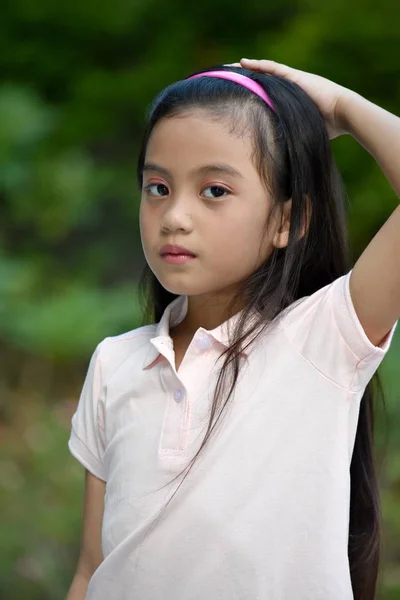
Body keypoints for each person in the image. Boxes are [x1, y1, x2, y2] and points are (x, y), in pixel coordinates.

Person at [66, 59, 400, 600]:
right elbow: (91, 568)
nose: (174, 215)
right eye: (157, 187)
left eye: (214, 191)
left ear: (288, 221)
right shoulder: (115, 362)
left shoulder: (323, 340)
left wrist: (344, 108)